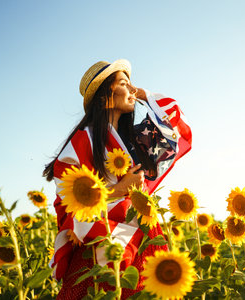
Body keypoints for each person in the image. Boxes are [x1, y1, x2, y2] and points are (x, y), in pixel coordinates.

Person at [43, 59, 192, 299]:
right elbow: (67, 199)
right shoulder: (84, 140)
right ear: (104, 96)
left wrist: (143, 94)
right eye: (124, 83)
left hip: (140, 236)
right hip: (101, 239)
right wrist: (118, 190)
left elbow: (175, 124)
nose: (132, 89)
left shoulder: (135, 138)